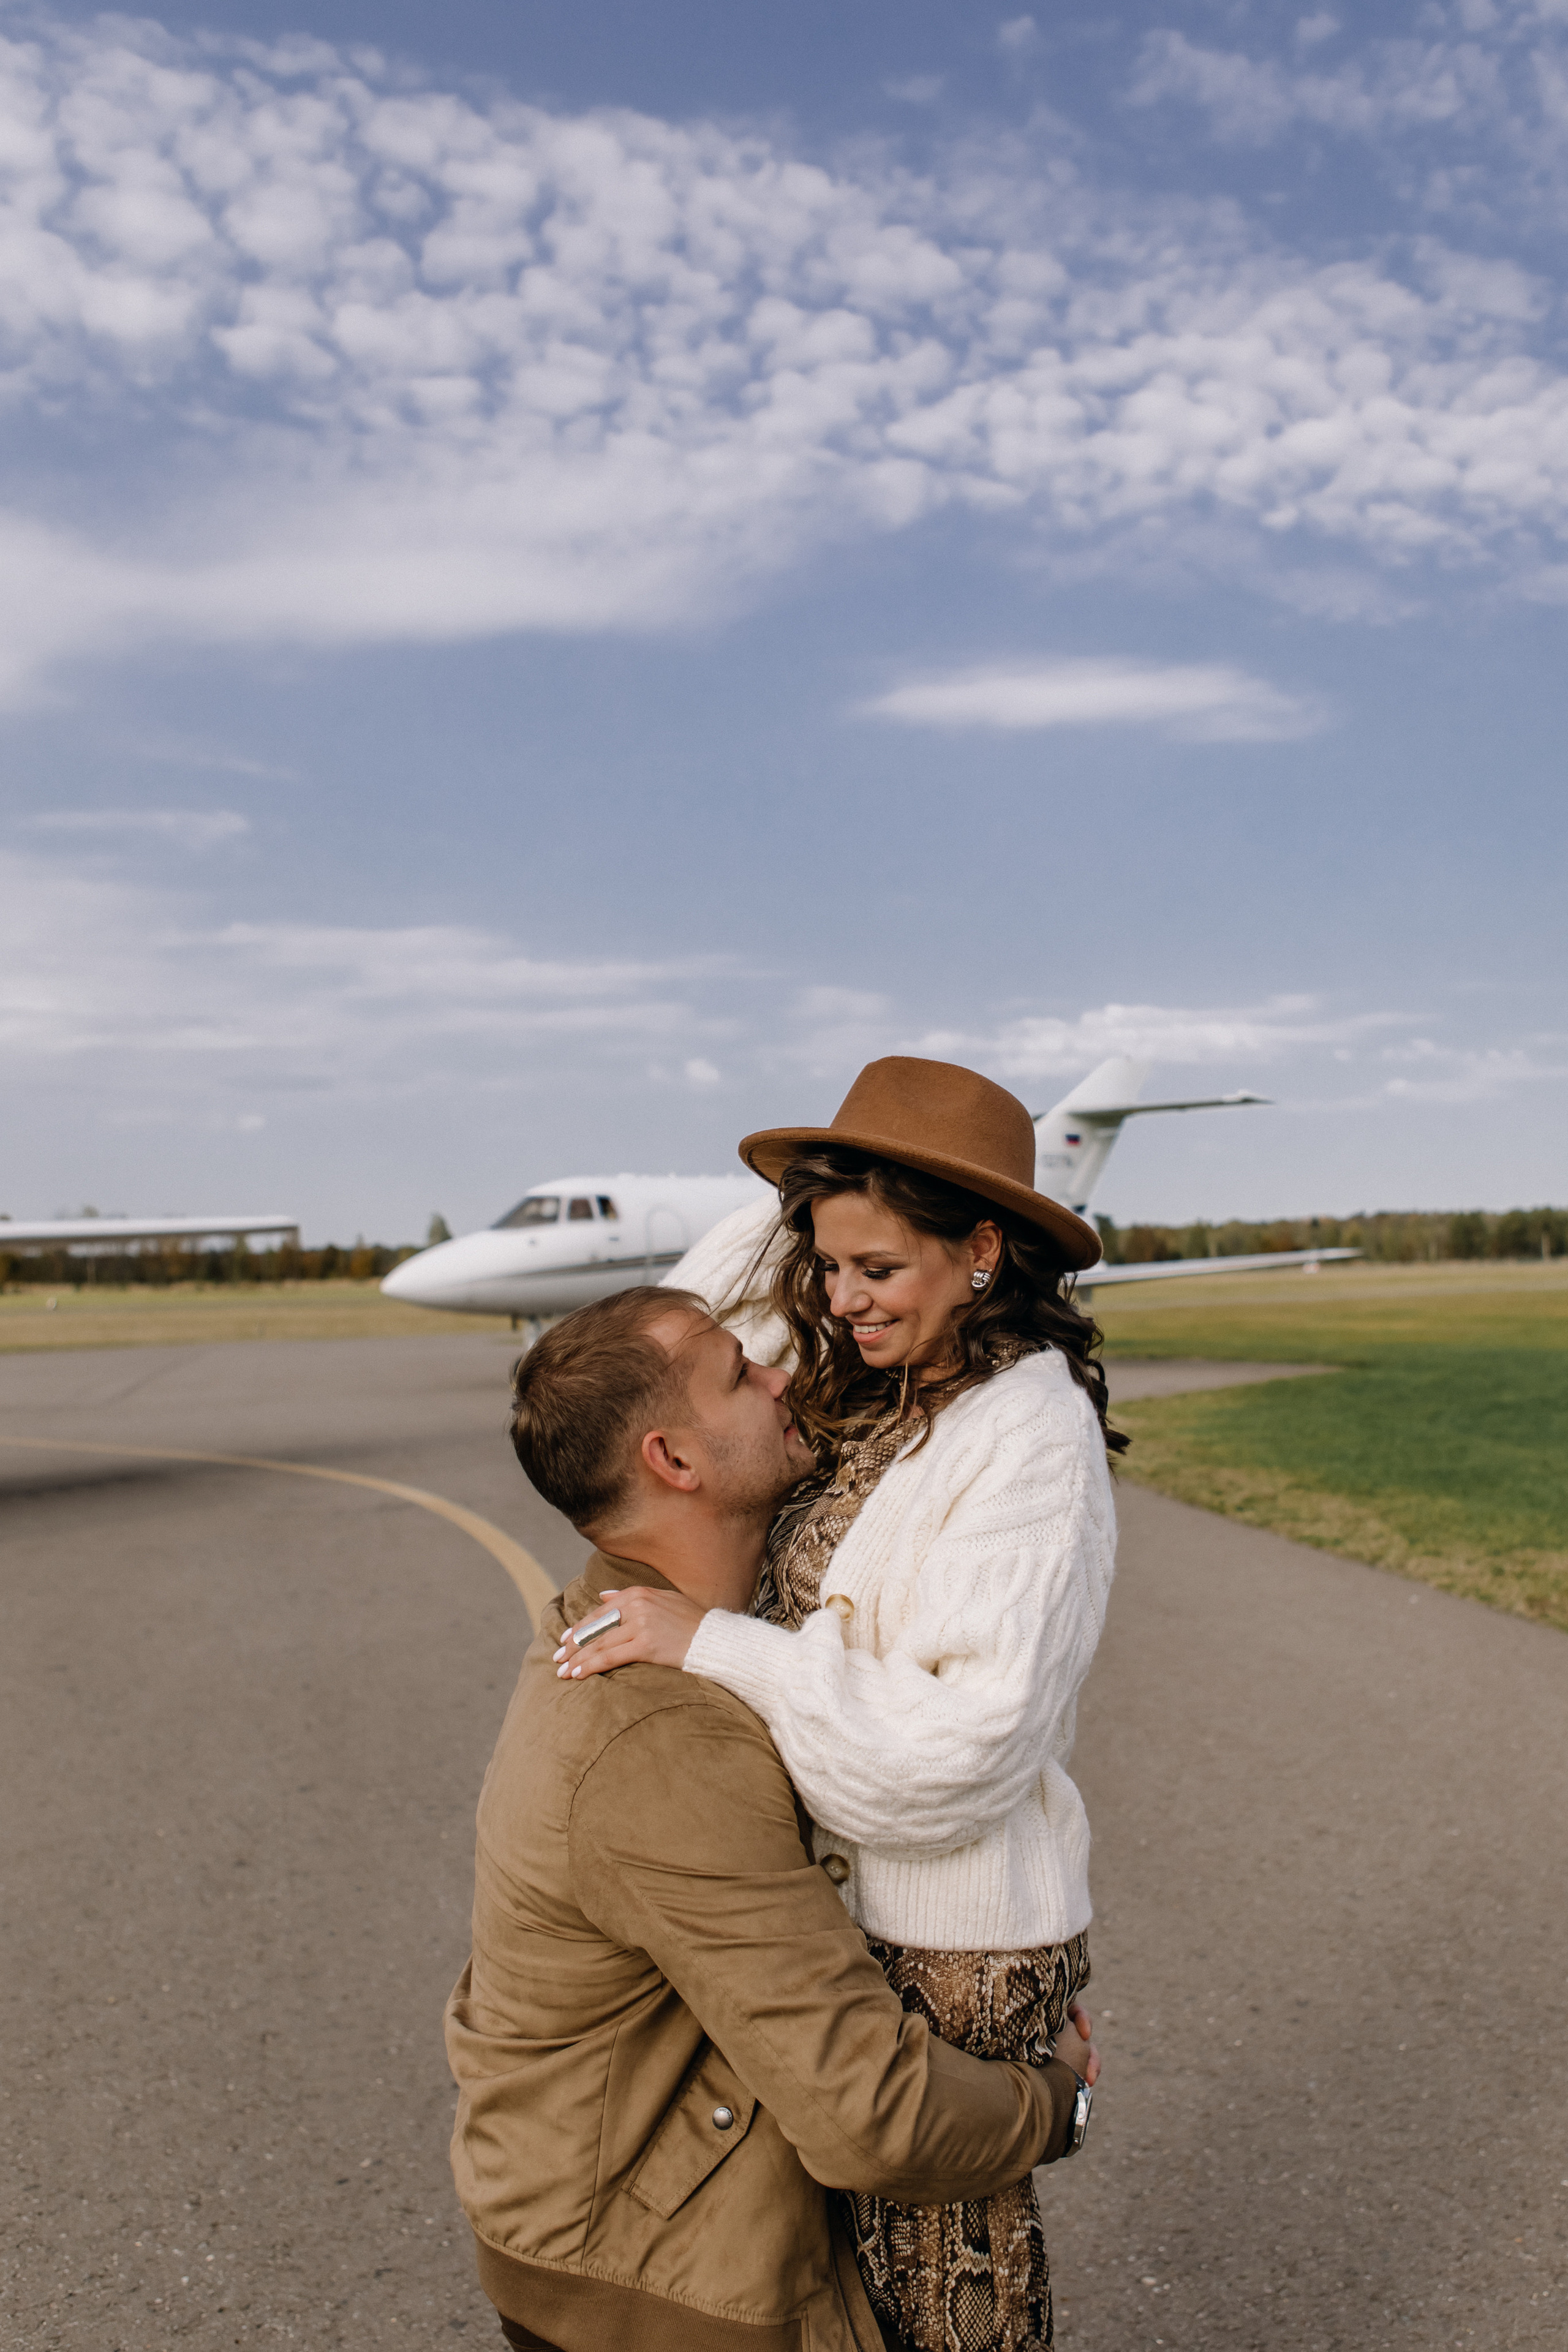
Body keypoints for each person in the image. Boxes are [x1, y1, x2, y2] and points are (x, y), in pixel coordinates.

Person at [554, 1058, 1121, 2352]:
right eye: (826, 1264)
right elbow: (673, 1347)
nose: (841, 1297)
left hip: (950, 1941)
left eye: (879, 1268)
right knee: (830, 2290)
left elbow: (957, 1758)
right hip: (844, 1913)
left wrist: (721, 1648)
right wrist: (823, 1186)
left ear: (983, 1251)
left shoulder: (1027, 1440)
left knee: (943, 2298)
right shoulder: (875, 1377)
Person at [445, 1280, 1100, 2352]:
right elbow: (872, 2118)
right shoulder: (660, 1741)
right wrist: (1057, 2101)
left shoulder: (627, 1619)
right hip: (655, 2295)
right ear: (675, 1460)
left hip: (583, 2219)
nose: (782, 1376)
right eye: (739, 1374)